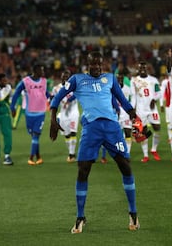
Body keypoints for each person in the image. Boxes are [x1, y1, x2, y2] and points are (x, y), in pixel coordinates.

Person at [50, 51, 140, 233]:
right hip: (91, 129)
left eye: (100, 64)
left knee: (125, 166)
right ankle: (80, 216)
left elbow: (122, 100)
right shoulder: (77, 79)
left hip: (112, 129)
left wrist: (135, 117)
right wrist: (53, 118)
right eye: (94, 64)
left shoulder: (110, 78)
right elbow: (58, 96)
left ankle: (133, 213)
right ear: (87, 64)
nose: (97, 67)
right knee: (83, 169)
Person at [10, 65, 50, 165]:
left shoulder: (44, 81)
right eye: (41, 70)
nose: (43, 72)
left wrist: (53, 98)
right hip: (29, 113)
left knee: (36, 135)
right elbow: (16, 93)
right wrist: (12, 107)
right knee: (34, 137)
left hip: (40, 113)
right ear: (35, 71)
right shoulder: (26, 81)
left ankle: (31, 158)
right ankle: (39, 157)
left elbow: (45, 93)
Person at [130, 61, 161, 162]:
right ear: (138, 69)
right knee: (142, 131)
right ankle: (146, 155)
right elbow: (133, 96)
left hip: (152, 109)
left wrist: (154, 99)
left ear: (147, 68)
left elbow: (158, 92)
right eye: (140, 68)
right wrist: (132, 109)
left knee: (157, 127)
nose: (142, 69)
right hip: (141, 109)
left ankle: (154, 149)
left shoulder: (153, 80)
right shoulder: (134, 81)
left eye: (144, 67)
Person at [51, 69, 79, 163]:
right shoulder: (56, 88)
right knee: (66, 135)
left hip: (73, 113)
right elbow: (52, 98)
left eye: (67, 78)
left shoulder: (74, 87)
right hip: (63, 114)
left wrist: (69, 100)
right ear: (61, 78)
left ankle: (72, 154)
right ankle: (70, 153)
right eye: (64, 77)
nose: (65, 79)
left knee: (73, 133)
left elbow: (76, 94)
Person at [116, 71, 133, 155]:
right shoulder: (112, 89)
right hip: (116, 113)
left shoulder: (127, 88)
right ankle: (120, 151)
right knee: (117, 134)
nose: (120, 79)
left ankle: (127, 153)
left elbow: (131, 100)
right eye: (118, 78)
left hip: (126, 113)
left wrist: (131, 111)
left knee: (128, 132)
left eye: (121, 78)